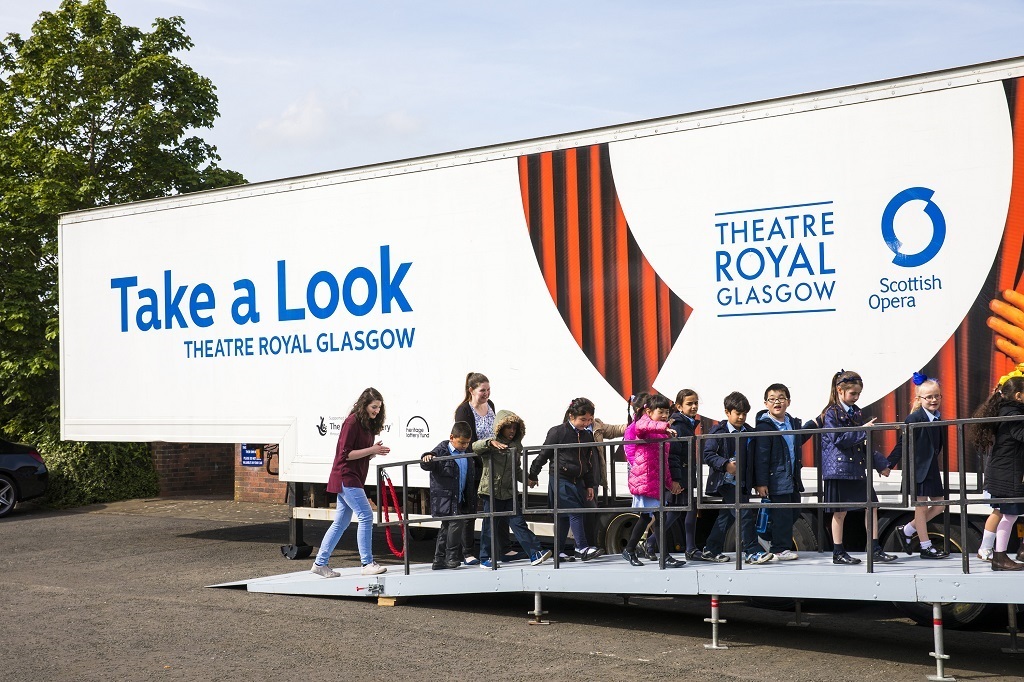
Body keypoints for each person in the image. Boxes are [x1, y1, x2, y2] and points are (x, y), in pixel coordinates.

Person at [820, 370, 898, 565]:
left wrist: (881, 463)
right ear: (839, 390)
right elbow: (838, 439)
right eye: (852, 394)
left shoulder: (856, 411)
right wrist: (863, 431)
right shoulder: (831, 413)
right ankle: (838, 551)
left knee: (871, 506)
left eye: (858, 394)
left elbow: (862, 444)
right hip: (838, 470)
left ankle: (874, 548)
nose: (856, 398)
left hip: (855, 467)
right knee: (840, 512)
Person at [311, 387, 390, 578]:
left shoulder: (365, 424)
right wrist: (371, 449)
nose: (377, 411)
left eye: (379, 408)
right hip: (346, 476)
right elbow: (345, 454)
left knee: (341, 522)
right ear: (364, 405)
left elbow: (359, 454)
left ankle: (320, 563)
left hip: (353, 476)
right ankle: (367, 563)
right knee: (366, 516)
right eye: (374, 407)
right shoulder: (351, 422)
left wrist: (372, 451)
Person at [473, 410, 552, 568]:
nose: (512, 431)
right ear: (501, 427)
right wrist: (490, 443)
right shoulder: (491, 441)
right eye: (509, 427)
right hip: (491, 491)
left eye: (515, 428)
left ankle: (535, 553)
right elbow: (475, 447)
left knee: (518, 523)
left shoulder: (516, 445)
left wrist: (528, 479)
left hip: (509, 492)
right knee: (490, 526)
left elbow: (517, 469)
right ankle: (484, 558)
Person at [700, 392, 771, 564]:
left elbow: (755, 460)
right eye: (737, 413)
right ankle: (752, 551)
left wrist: (757, 482)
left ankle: (711, 549)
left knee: (726, 516)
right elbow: (708, 454)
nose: (741, 417)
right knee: (744, 514)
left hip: (742, 482)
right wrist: (726, 464)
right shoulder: (719, 431)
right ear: (727, 412)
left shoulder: (749, 432)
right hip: (725, 482)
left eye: (744, 414)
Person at [528, 397, 602, 562]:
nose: (586, 423)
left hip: (579, 479)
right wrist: (533, 474)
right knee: (574, 511)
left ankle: (558, 551)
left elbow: (588, 462)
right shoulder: (558, 432)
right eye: (583, 419)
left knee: (563, 516)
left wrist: (590, 485)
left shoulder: (587, 436)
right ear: (571, 416)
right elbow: (543, 454)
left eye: (589, 420)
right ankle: (581, 547)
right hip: (560, 478)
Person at [886, 373, 950, 559]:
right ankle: (925, 546)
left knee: (940, 505)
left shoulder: (938, 418)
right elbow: (902, 444)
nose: (933, 400)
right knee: (921, 507)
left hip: (931, 469)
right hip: (917, 469)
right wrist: (888, 463)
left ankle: (907, 529)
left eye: (937, 396)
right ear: (919, 399)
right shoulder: (913, 419)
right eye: (929, 397)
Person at [621, 394, 685, 567]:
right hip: (644, 480)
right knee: (652, 517)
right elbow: (644, 425)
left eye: (667, 412)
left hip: (654, 482)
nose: (665, 415)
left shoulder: (660, 434)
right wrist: (664, 427)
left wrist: (669, 483)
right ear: (648, 411)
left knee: (652, 518)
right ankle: (651, 554)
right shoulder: (642, 424)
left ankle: (633, 550)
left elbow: (663, 463)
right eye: (661, 411)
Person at [969, 375, 1024, 571]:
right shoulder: (1012, 414)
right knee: (1008, 515)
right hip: (1006, 473)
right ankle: (999, 557)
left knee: (1009, 514)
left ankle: (1002, 555)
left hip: (1006, 471)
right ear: (1018, 395)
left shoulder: (1010, 410)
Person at [752, 383, 808, 561]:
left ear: (788, 402)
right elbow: (761, 458)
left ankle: (769, 538)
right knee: (782, 514)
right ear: (765, 403)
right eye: (772, 399)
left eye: (781, 398)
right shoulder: (764, 427)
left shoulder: (792, 423)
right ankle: (779, 548)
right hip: (775, 478)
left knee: (793, 512)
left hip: (792, 477)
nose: (777, 402)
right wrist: (761, 483)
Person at [643, 389, 701, 561]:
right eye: (689, 403)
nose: (694, 406)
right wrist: (675, 479)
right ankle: (686, 547)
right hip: (679, 476)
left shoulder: (687, 423)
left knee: (680, 511)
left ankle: (653, 543)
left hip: (685, 474)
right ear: (679, 406)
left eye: (696, 403)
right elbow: (673, 455)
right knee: (682, 510)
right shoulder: (677, 425)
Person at [421, 421, 477, 570]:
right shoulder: (442, 450)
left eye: (467, 443)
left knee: (446, 528)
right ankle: (451, 556)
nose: (464, 446)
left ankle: (438, 560)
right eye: (461, 443)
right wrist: (427, 457)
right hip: (446, 498)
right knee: (456, 522)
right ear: (452, 437)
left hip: (459, 497)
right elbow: (427, 463)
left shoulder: (467, 453)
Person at [453, 372, 495, 564]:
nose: (486, 394)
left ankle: (495, 548)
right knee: (469, 509)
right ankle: (467, 552)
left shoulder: (491, 405)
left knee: (492, 508)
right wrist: (482, 460)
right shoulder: (464, 410)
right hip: (473, 464)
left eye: (488, 389)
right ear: (471, 390)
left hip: (491, 463)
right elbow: (467, 442)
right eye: (482, 390)